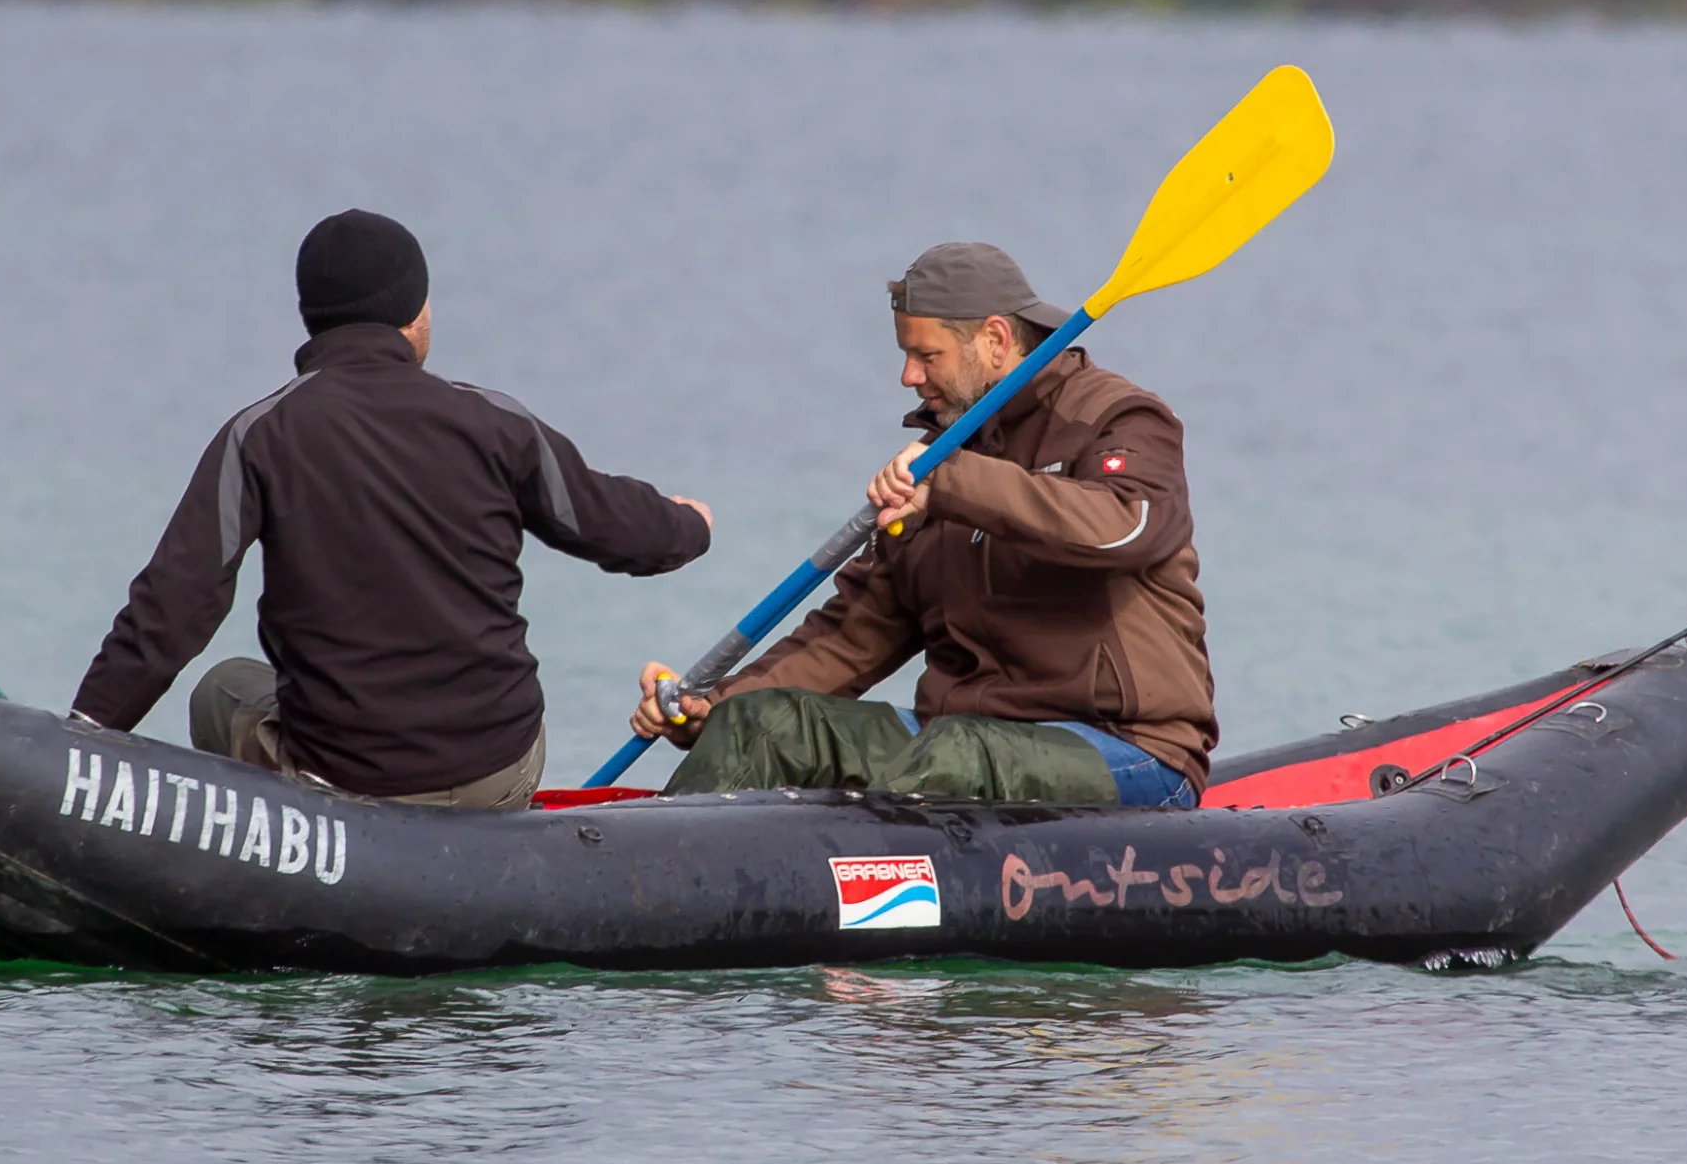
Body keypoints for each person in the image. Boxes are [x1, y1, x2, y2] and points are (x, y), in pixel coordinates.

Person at [71, 210, 712, 809]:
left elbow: (173, 606)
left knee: (222, 689)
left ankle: (292, 871)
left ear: (312, 318)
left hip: (344, 779)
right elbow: (611, 525)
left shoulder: (259, 435)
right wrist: (689, 525)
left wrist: (82, 736)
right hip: (501, 770)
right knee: (237, 687)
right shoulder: (492, 422)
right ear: (413, 313)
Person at [629, 240, 1213, 807]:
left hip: (1128, 749)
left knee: (954, 751)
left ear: (996, 339)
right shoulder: (938, 461)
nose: (908, 377)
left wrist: (954, 482)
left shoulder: (1117, 417)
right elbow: (853, 633)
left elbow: (1126, 528)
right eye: (906, 356)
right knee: (766, 724)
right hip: (962, 739)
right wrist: (718, 706)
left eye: (927, 356)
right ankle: (651, 875)